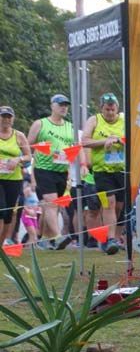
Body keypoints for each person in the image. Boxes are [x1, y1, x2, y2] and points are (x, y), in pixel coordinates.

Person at [26, 94, 75, 249]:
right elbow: (27, 145)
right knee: (51, 203)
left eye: (66, 105)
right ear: (52, 106)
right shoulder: (40, 124)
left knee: (54, 206)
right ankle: (58, 237)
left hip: (62, 170)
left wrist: (78, 167)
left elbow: (74, 147)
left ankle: (46, 240)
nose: (64, 107)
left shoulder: (70, 126)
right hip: (43, 169)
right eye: (60, 104)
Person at [81, 93, 126, 255]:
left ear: (117, 108)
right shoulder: (94, 120)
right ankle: (111, 240)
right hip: (101, 171)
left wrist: (120, 140)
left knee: (119, 206)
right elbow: (84, 141)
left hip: (121, 170)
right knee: (109, 203)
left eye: (112, 109)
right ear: (101, 109)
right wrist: (103, 142)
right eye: (107, 109)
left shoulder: (124, 119)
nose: (110, 113)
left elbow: (135, 138)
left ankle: (113, 237)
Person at [0, 106, 32, 245]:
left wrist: (18, 159)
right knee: (1, 210)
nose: (6, 119)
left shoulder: (19, 136)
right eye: (3, 116)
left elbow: (28, 156)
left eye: (9, 117)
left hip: (14, 179)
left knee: (8, 214)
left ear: (13, 119)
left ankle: (1, 245)